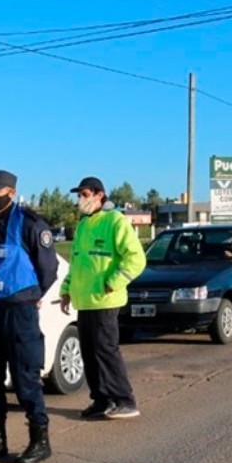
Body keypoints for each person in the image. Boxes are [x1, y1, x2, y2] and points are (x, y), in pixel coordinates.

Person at [0, 169, 59, 463]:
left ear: (11, 192)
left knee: (25, 379)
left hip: (19, 310)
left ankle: (40, 440)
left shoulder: (30, 225)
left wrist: (33, 294)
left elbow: (48, 269)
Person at [60, 176, 146, 420]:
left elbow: (136, 259)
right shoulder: (84, 225)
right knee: (89, 353)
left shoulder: (115, 221)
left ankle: (124, 400)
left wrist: (113, 282)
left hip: (106, 300)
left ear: (100, 195)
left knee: (106, 351)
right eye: (79, 195)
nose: (81, 199)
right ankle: (101, 400)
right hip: (84, 301)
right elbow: (76, 264)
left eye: (85, 194)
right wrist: (66, 291)